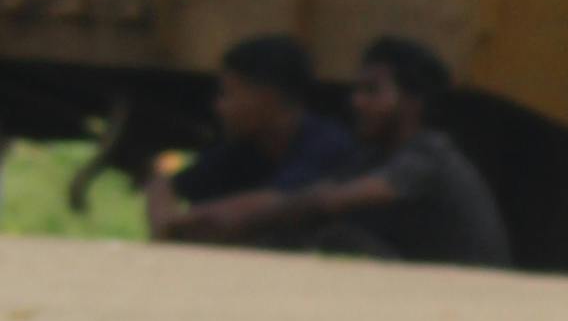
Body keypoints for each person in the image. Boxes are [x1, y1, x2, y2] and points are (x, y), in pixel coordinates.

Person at [189, 38, 512, 268]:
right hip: (431, 284)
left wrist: (235, 222)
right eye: (357, 90)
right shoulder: (374, 158)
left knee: (338, 240)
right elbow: (305, 196)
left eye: (372, 91)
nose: (356, 101)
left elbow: (326, 201)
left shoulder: (429, 155)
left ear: (413, 102)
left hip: (473, 293)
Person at [141, 36, 360, 240]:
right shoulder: (247, 147)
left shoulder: (326, 144)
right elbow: (164, 186)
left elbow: (276, 203)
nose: (219, 107)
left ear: (266, 97)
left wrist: (186, 220)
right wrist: (167, 223)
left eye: (228, 94)